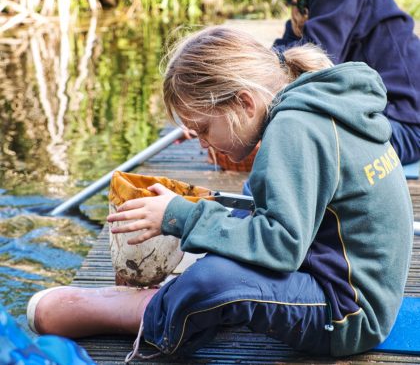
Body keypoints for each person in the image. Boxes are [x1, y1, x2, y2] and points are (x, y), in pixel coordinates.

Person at [26, 26, 413, 361]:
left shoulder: (294, 128)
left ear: (244, 102)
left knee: (213, 280)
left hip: (348, 315)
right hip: (350, 284)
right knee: (228, 245)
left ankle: (145, 312)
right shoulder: (315, 107)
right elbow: (277, 212)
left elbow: (281, 245)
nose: (204, 146)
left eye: (205, 129)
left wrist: (182, 216)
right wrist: (197, 210)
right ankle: (169, 299)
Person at [266, 0, 420, 164]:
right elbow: (278, 57)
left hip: (404, 125)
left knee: (297, 152)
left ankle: (254, 200)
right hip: (382, 119)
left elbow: (310, 63)